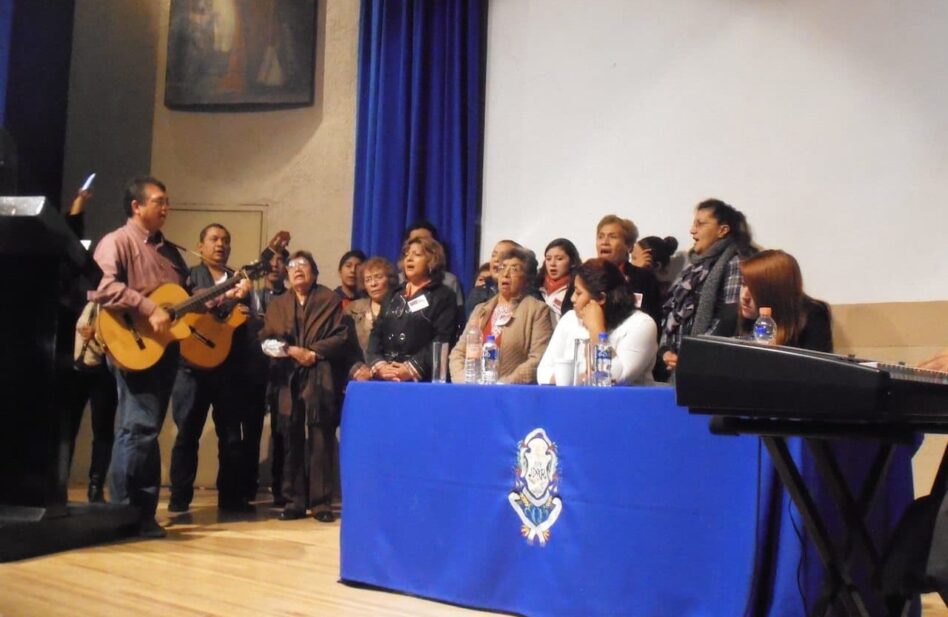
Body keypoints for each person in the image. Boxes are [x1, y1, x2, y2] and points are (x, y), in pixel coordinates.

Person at [92, 176, 189, 538]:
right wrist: (148, 307)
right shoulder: (116, 242)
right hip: (133, 344)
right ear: (136, 206)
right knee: (137, 429)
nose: (166, 208)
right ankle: (122, 514)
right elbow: (102, 287)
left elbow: (184, 300)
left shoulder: (169, 251)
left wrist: (225, 295)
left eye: (167, 201)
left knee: (147, 432)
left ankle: (143, 515)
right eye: (159, 201)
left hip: (163, 350)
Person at [167, 223, 254, 513]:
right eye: (214, 239)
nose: (221, 244)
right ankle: (179, 499)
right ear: (200, 245)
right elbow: (179, 312)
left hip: (228, 369)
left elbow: (244, 321)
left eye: (226, 240)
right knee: (186, 434)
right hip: (190, 366)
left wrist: (243, 296)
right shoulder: (189, 277)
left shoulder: (240, 281)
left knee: (231, 436)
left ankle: (230, 499)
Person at [259, 250, 350, 523]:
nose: (298, 269)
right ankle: (293, 500)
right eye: (293, 265)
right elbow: (266, 341)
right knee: (290, 438)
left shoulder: (329, 299)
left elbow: (342, 336)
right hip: (287, 376)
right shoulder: (278, 304)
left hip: (320, 375)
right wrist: (291, 350)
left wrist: (314, 352)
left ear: (315, 272)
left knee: (321, 438)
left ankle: (321, 503)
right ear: (286, 274)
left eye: (304, 265)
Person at [62, 187, 116, 503]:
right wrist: (78, 207)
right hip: (74, 363)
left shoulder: (119, 284)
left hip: (105, 365)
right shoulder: (84, 274)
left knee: (103, 429)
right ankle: (58, 483)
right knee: (66, 426)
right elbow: (70, 239)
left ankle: (96, 487)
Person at [659, 199, 754, 377]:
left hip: (710, 367)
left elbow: (729, 318)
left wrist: (692, 355)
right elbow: (672, 311)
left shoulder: (734, 261)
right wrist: (665, 350)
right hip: (680, 365)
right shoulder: (693, 266)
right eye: (694, 223)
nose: (692, 230)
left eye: (700, 224)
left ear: (722, 230)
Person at [537, 258, 657, 386]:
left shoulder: (641, 324)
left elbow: (616, 378)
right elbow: (543, 373)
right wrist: (579, 378)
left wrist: (596, 329)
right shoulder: (570, 319)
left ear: (601, 298)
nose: (572, 299)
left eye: (578, 293)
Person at [354, 237, 458, 382]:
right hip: (386, 377)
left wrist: (410, 368)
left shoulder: (443, 296)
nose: (409, 259)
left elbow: (442, 338)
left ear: (431, 260)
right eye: (407, 255)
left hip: (421, 380)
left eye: (417, 255)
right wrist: (380, 365)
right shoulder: (393, 294)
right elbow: (376, 334)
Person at [449, 247, 553, 384]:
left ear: (527, 279)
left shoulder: (537, 310)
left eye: (514, 269)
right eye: (503, 268)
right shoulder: (480, 310)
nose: (505, 274)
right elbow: (458, 353)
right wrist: (464, 382)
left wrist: (503, 384)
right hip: (474, 391)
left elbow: (538, 358)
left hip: (512, 395)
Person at [246, 248, 289, 505]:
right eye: (270, 261)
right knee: (251, 429)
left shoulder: (293, 295)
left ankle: (281, 488)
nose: (274, 265)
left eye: (280, 260)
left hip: (282, 370)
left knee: (282, 430)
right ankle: (248, 486)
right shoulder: (253, 294)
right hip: (254, 370)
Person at [733, 249, 832, 352]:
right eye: (743, 284)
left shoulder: (813, 315)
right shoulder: (744, 315)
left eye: (754, 289)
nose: (744, 296)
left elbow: (815, 366)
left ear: (775, 291)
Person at [595, 215, 663, 328]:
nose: (604, 242)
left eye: (612, 237)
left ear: (629, 246)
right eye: (600, 237)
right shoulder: (584, 276)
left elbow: (653, 323)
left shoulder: (645, 279)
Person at [403, 220, 465, 310]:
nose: (418, 244)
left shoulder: (448, 282)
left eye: (423, 241)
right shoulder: (397, 283)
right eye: (413, 241)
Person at [346, 256, 398, 357]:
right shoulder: (353, 308)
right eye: (368, 280)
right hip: (361, 369)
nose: (373, 284)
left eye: (378, 277)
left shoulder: (402, 305)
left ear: (390, 279)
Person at [465, 239, 522, 317]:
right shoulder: (478, 294)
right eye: (493, 255)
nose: (496, 259)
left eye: (504, 256)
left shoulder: (531, 297)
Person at [536, 238, 581, 323]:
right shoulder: (536, 286)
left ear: (572, 262)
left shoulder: (576, 290)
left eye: (559, 259)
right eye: (548, 259)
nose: (552, 263)